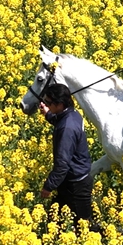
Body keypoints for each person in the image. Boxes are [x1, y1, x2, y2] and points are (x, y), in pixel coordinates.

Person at [39, 83, 94, 230]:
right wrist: (48, 114)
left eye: (49, 103)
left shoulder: (67, 128)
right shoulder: (73, 114)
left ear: (60, 104)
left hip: (76, 184)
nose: (47, 105)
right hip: (70, 180)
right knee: (55, 220)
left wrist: (48, 186)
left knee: (84, 226)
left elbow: (62, 163)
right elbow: (60, 120)